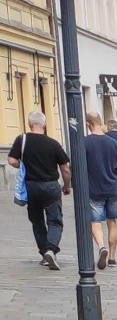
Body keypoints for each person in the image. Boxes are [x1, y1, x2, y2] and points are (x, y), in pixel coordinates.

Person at [8, 110, 71, 270]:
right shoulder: (53, 143)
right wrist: (67, 186)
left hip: (32, 186)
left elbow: (11, 160)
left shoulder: (22, 140)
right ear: (45, 124)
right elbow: (65, 169)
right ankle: (51, 249)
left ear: (29, 124)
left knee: (37, 221)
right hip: (50, 186)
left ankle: (44, 254)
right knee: (55, 221)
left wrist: (22, 165)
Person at [83, 111, 117, 270]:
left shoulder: (84, 142)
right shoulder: (112, 142)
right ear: (100, 122)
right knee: (112, 222)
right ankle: (112, 258)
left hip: (94, 188)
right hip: (112, 187)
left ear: (88, 124)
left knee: (96, 222)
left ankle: (102, 247)